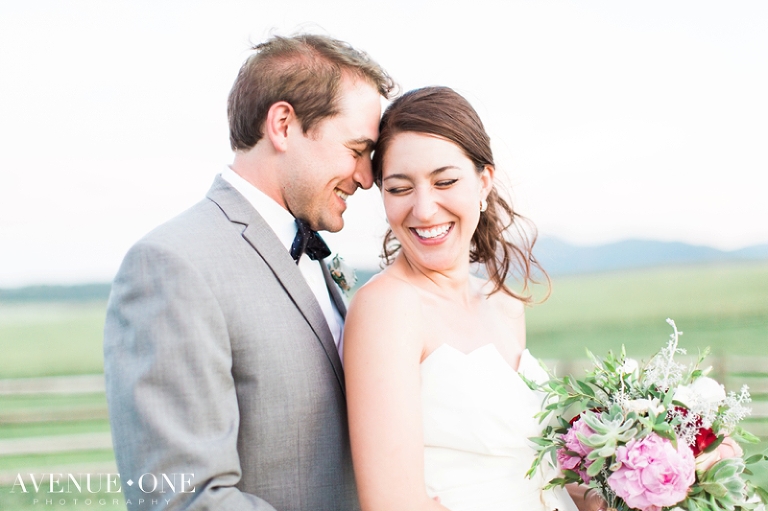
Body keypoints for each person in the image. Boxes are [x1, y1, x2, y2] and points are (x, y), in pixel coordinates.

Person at [103, 34, 394, 510]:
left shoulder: (321, 254)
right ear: (282, 124)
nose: (366, 177)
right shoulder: (172, 265)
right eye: (357, 149)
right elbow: (186, 498)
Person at [344, 87, 601, 511]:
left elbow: (520, 478)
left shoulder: (503, 304)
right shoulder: (386, 309)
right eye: (399, 188)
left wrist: (632, 485)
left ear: (483, 182)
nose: (424, 210)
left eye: (445, 181)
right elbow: (394, 503)